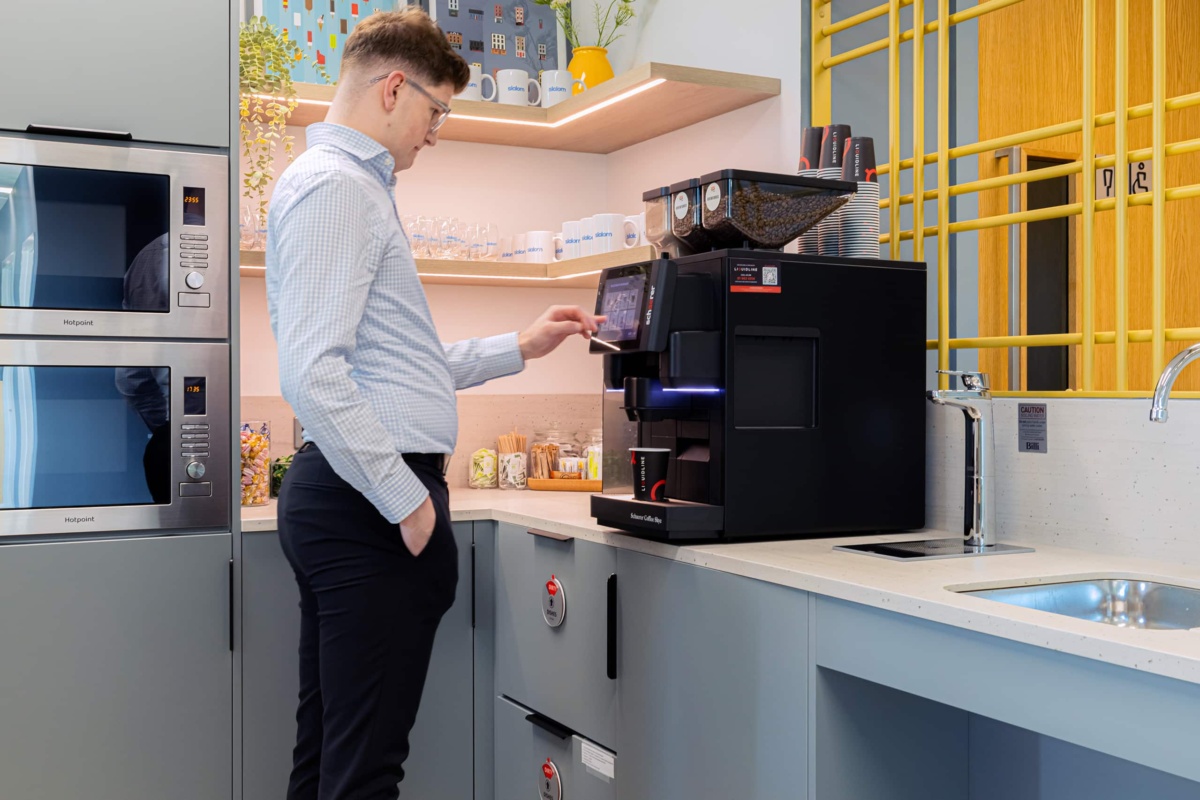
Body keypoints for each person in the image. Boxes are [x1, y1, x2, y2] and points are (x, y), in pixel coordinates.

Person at [265, 8, 601, 800]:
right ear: (393, 88)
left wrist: (517, 347)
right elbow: (315, 374)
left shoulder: (344, 188)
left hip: (353, 501)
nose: (437, 131)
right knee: (364, 772)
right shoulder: (338, 189)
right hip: (366, 505)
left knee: (332, 761)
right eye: (438, 110)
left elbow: (391, 366)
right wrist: (408, 504)